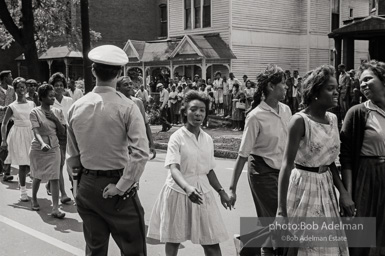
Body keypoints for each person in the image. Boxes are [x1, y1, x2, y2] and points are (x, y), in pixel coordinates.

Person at [67, 45, 149, 255]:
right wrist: (122, 187)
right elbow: (140, 152)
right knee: (133, 249)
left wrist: (77, 186)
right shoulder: (127, 106)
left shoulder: (77, 106)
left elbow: (73, 155)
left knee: (95, 249)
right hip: (116, 184)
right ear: (119, 73)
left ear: (93, 70)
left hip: (86, 183)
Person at [277, 65, 350, 255]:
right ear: (315, 92)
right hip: (303, 187)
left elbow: (329, 160)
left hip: (326, 187)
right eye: (330, 88)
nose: (336, 92)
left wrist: (342, 191)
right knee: (303, 246)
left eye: (337, 88)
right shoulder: (300, 121)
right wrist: (281, 211)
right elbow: (286, 165)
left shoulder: (333, 119)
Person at [147, 90, 231, 256]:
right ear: (184, 111)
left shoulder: (207, 139)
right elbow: (173, 167)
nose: (198, 114)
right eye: (193, 109)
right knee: (173, 241)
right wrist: (187, 188)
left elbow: (208, 170)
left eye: (202, 110)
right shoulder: (177, 137)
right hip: (178, 193)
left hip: (202, 194)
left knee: (212, 243)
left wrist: (221, 192)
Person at [229, 64, 290, 255]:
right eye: (283, 84)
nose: (287, 87)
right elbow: (243, 154)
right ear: (271, 87)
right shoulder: (255, 117)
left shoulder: (287, 110)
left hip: (283, 173)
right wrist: (232, 188)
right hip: (262, 172)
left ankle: (246, 246)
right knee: (277, 220)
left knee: (277, 221)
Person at [340, 60, 385, 256]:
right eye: (361, 82)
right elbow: (346, 157)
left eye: (368, 79)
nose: (363, 85)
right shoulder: (357, 113)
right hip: (366, 179)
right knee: (361, 238)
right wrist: (348, 194)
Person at [29, 84, 66, 218]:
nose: (53, 97)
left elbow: (62, 131)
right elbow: (36, 131)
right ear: (42, 98)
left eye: (53, 95)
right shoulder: (34, 112)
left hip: (54, 147)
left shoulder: (57, 111)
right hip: (39, 147)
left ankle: (55, 208)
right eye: (50, 96)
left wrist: (55, 119)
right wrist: (42, 143)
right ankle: (34, 198)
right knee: (37, 175)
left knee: (55, 176)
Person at [1, 77, 35, 201]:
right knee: (22, 163)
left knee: (31, 162)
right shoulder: (12, 106)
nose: (21, 89)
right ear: (15, 90)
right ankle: (23, 191)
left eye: (23, 87)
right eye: (19, 87)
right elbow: (4, 124)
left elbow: (35, 118)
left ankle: (29, 180)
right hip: (18, 134)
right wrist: (4, 140)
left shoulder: (31, 103)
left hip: (31, 133)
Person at [46, 72, 73, 204]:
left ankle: (53, 183)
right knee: (59, 164)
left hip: (70, 135)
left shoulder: (69, 100)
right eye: (56, 85)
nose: (59, 88)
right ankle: (63, 193)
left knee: (72, 164)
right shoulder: (50, 102)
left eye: (61, 85)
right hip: (56, 136)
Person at [116, 76, 156, 158]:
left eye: (130, 84)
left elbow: (145, 124)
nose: (129, 86)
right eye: (125, 84)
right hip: (120, 148)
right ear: (118, 88)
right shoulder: (115, 104)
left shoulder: (138, 102)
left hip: (136, 147)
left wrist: (151, 144)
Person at [0, 70, 16, 181]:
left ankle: (6, 172)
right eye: (10, 76)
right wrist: (1, 108)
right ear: (5, 78)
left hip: (9, 121)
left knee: (7, 144)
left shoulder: (12, 90)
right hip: (0, 120)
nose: (12, 78)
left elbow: (15, 103)